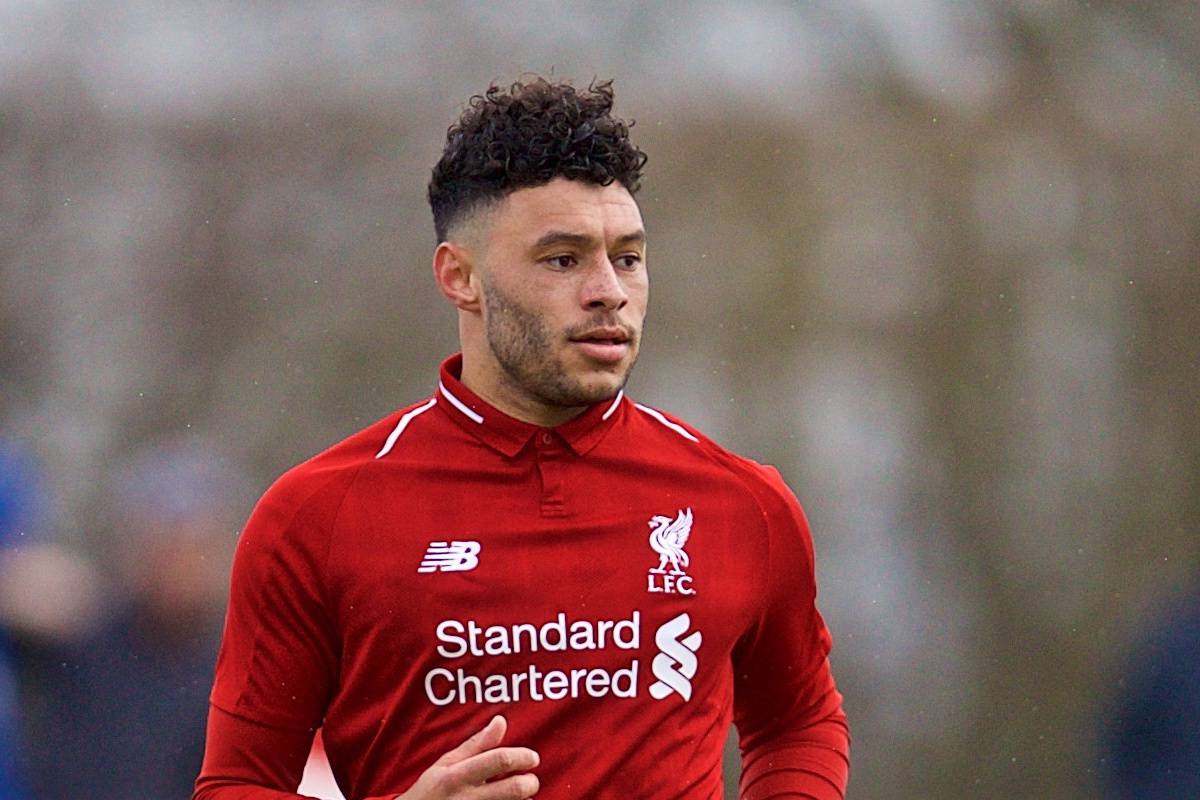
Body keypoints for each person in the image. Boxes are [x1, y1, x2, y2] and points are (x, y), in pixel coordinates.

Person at [194, 77, 849, 800]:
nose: (609, 291)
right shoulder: (316, 515)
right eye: (562, 260)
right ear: (460, 277)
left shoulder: (741, 503)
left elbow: (798, 721)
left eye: (627, 257)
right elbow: (236, 782)